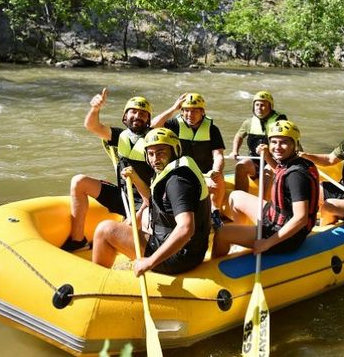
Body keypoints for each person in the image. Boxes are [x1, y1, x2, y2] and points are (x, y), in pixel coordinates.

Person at [92, 128, 211, 275]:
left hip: (179, 257)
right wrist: (135, 178)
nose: (155, 159)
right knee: (137, 219)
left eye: (161, 152)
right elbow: (152, 201)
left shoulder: (177, 182)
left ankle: (98, 281)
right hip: (192, 251)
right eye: (151, 154)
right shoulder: (176, 172)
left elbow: (186, 228)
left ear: (175, 151)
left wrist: (150, 261)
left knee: (105, 230)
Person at [63, 88, 154, 252]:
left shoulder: (154, 142)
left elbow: (157, 189)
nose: (137, 116)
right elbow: (91, 126)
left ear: (148, 120)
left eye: (142, 114)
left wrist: (138, 215)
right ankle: (78, 240)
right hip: (124, 197)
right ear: (125, 117)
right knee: (79, 181)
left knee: (147, 227)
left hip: (148, 201)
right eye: (133, 112)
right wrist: (95, 109)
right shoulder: (120, 136)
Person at [212, 120, 319, 258]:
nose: (277, 146)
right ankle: (243, 239)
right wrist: (267, 156)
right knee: (236, 196)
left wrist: (267, 243)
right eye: (274, 142)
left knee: (222, 233)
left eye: (284, 142)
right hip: (276, 216)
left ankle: (218, 263)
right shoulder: (294, 162)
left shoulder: (296, 176)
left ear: (295, 144)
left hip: (284, 233)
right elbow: (281, 172)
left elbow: (301, 218)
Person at [150, 93, 226, 231]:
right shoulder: (174, 125)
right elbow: (153, 126)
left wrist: (216, 171)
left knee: (219, 179)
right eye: (186, 110)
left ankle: (214, 212)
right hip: (180, 174)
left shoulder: (212, 129)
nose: (190, 114)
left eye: (195, 110)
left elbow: (219, 155)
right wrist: (173, 108)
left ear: (202, 112)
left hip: (205, 174)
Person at [229, 90, 287, 193]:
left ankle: (264, 203)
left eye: (263, 105)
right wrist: (235, 150)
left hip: (273, 160)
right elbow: (239, 136)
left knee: (267, 172)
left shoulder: (280, 122)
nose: (259, 108)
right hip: (255, 160)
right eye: (257, 105)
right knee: (240, 166)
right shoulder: (248, 123)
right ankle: (241, 198)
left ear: (270, 107)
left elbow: (289, 140)